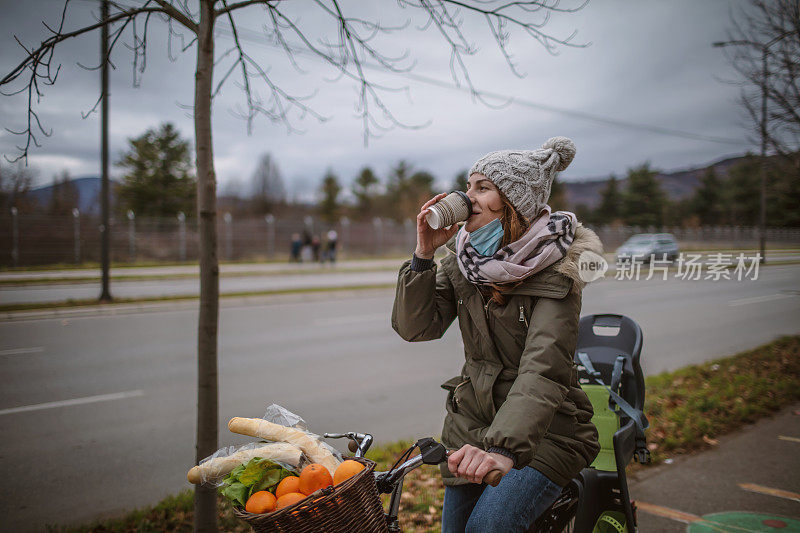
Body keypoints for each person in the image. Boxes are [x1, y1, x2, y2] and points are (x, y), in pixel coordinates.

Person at [392, 137, 602, 532]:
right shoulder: (465, 262)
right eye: (468, 186)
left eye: (482, 188)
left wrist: (502, 450)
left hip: (547, 433)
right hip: (472, 426)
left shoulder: (558, 273)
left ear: (513, 204)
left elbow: (542, 371)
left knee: (486, 529)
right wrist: (422, 255)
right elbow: (416, 328)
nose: (467, 197)